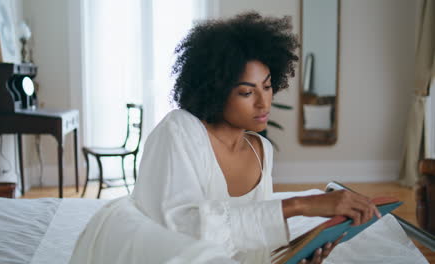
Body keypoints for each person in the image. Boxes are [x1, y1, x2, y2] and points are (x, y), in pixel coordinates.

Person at [131, 12, 380, 264]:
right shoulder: (180, 130)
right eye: (246, 92)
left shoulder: (261, 150)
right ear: (215, 90)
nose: (264, 103)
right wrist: (298, 206)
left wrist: (296, 255)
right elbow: (180, 233)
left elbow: (252, 245)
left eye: (268, 86)